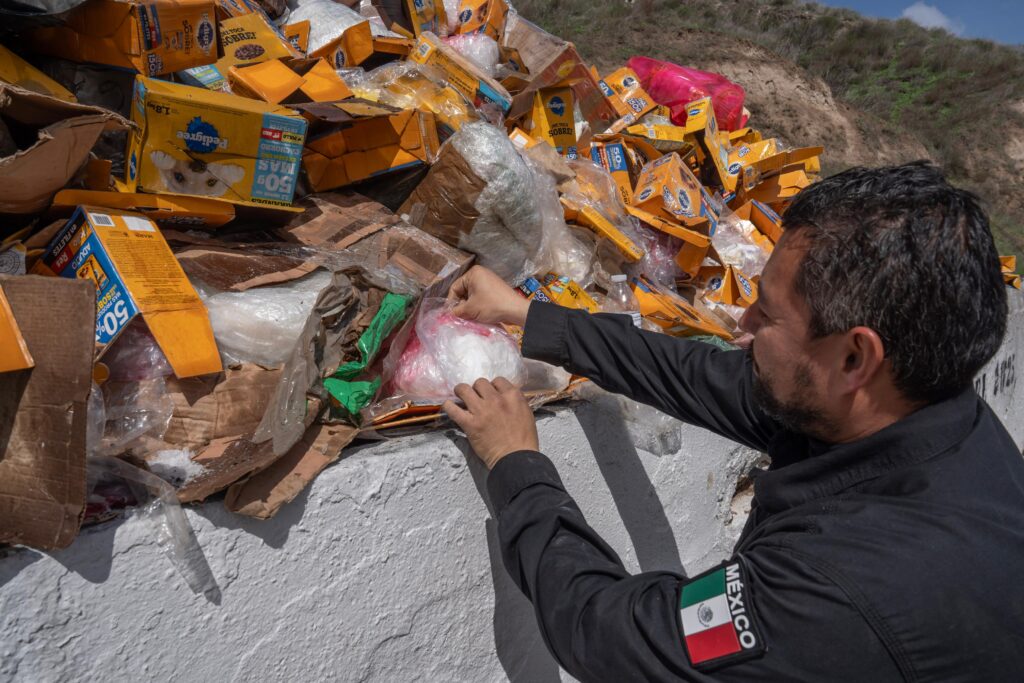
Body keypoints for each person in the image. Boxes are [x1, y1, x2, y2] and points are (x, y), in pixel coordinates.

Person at [442, 162, 1024, 681]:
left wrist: (517, 465)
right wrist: (530, 316)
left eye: (765, 313)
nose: (740, 325)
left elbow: (608, 635)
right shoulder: (920, 410)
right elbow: (703, 377)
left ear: (854, 357)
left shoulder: (839, 589)